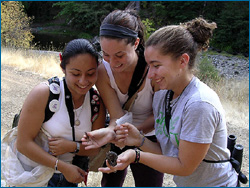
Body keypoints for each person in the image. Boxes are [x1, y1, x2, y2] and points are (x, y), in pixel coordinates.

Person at [99, 17, 239, 187]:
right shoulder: (163, 96)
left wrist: (136, 155)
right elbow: (168, 153)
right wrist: (138, 140)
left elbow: (184, 166)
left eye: (156, 66)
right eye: (149, 66)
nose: (150, 75)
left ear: (183, 61)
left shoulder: (199, 104)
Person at [82, 8, 164, 187]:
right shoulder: (103, 70)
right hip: (119, 133)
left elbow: (160, 116)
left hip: (148, 137)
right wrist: (115, 132)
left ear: (135, 43)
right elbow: (116, 113)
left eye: (119, 55)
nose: (112, 62)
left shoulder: (153, 71)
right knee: (110, 182)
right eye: (106, 55)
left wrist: (130, 133)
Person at [16, 39, 106, 187]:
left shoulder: (96, 102)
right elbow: (23, 144)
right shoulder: (44, 93)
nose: (83, 81)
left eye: (90, 74)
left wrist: (71, 147)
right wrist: (62, 167)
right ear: (62, 66)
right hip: (32, 176)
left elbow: (95, 147)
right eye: (75, 74)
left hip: (69, 179)